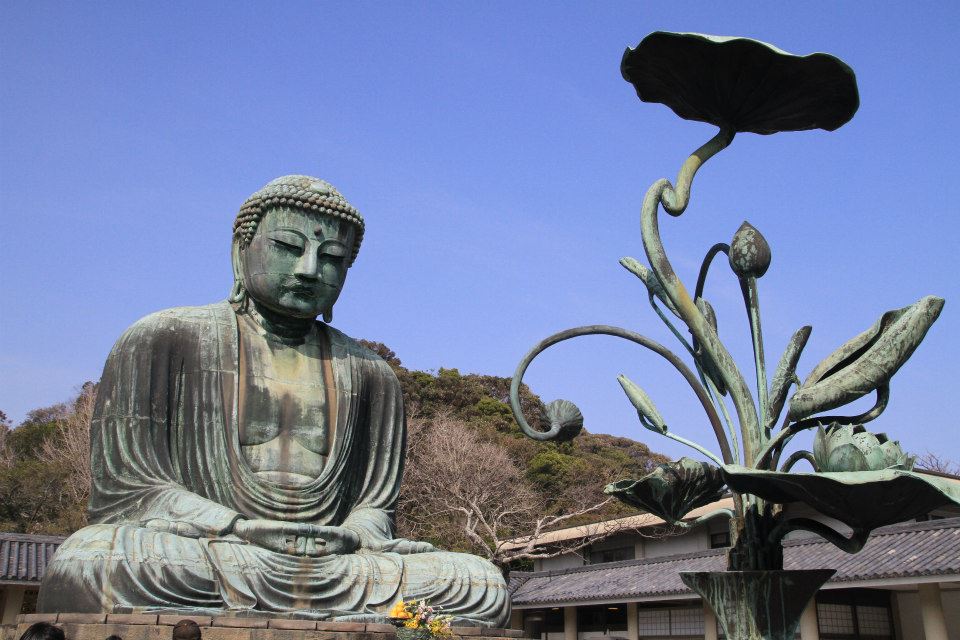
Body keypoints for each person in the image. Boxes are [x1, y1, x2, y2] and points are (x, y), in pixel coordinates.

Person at [37, 176, 509, 626]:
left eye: (331, 258)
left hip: (336, 563)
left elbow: (374, 505)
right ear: (242, 250)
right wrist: (236, 527)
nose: (309, 270)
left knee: (476, 582)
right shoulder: (164, 338)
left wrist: (357, 534)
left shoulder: (371, 374)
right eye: (287, 247)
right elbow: (131, 490)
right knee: (97, 560)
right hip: (216, 549)